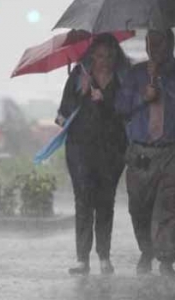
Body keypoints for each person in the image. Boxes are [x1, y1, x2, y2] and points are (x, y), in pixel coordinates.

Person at [115, 29, 175, 278]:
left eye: (160, 43)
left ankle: (165, 259)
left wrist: (161, 80)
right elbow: (122, 106)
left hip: (173, 151)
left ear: (171, 44)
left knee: (170, 207)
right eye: (150, 43)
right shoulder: (135, 74)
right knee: (139, 207)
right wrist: (145, 96)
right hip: (141, 152)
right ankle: (147, 250)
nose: (155, 49)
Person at [56, 33, 130, 275]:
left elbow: (129, 111)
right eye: (99, 56)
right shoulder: (79, 76)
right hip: (80, 149)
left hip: (112, 150)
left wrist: (105, 99)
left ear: (116, 56)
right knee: (84, 201)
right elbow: (62, 114)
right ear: (91, 55)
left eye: (109, 56)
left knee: (105, 202)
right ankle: (82, 259)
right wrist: (81, 93)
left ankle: (104, 257)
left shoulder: (123, 79)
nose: (104, 61)